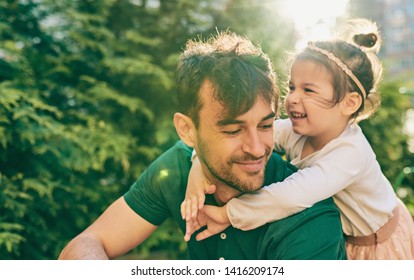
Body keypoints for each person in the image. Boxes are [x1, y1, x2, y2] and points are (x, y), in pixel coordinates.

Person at [58, 31, 346, 260]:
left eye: (265, 125)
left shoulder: (309, 220)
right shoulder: (176, 170)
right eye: (233, 130)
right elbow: (86, 243)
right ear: (187, 130)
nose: (257, 149)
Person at [182, 20, 414, 260]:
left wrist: (227, 214)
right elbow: (224, 139)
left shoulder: (350, 154)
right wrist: (199, 164)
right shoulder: (297, 131)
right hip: (347, 237)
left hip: (377, 243)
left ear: (349, 103)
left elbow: (288, 197)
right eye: (292, 87)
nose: (292, 98)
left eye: (309, 90)